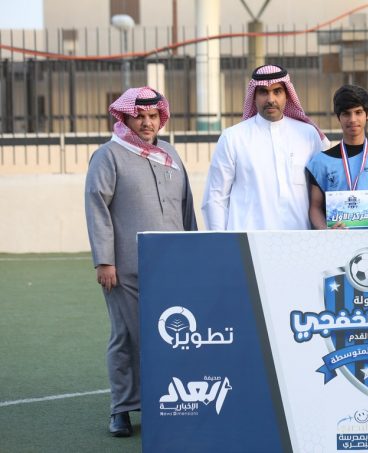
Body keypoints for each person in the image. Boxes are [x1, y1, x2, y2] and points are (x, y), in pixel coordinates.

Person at [84, 87, 197, 437]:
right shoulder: (109, 155)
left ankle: (165, 404)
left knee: (170, 336)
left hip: (173, 266)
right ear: (125, 117)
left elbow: (186, 206)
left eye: (153, 116)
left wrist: (195, 252)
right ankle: (121, 409)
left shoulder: (170, 153)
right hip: (125, 268)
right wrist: (104, 261)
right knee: (127, 335)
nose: (147, 123)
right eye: (140, 117)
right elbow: (96, 207)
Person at [202, 64, 329, 230]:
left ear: (287, 95)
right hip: (248, 241)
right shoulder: (233, 138)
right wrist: (222, 241)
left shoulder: (308, 135)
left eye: (277, 91)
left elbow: (320, 193)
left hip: (298, 239)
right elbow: (215, 197)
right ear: (254, 96)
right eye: (263, 92)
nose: (270, 99)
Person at [306, 84, 368, 229]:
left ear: (367, 115)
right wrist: (327, 231)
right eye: (346, 114)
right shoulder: (321, 162)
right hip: (339, 240)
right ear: (338, 117)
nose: (353, 119)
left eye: (358, 112)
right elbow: (315, 207)